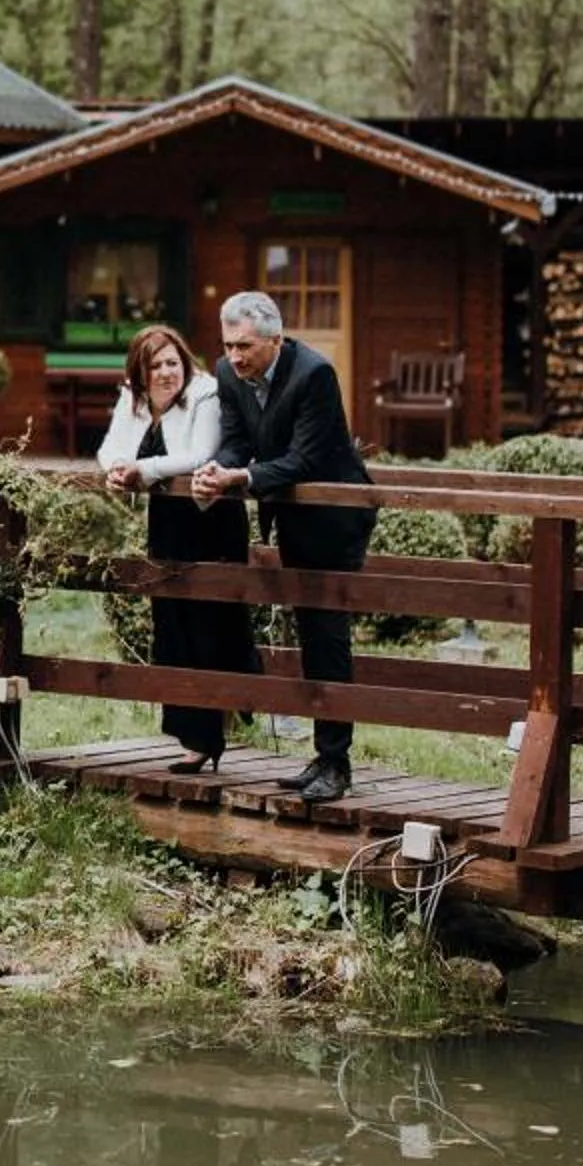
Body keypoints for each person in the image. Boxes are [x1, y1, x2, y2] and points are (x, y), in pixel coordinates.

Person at [193, 288, 374, 805]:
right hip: (290, 516)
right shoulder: (229, 376)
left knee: (327, 635)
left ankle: (336, 763)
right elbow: (235, 439)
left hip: (333, 520)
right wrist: (216, 467)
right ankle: (321, 756)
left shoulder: (314, 374)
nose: (234, 356)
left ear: (275, 339)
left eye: (245, 345)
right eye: (228, 345)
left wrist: (238, 477)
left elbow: (305, 461)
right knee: (309, 634)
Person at [99, 323, 256, 770]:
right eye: (156, 365)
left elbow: (201, 454)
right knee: (172, 626)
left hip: (211, 522)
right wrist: (115, 469)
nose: (167, 373)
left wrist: (139, 468)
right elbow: (110, 448)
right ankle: (193, 736)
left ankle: (217, 726)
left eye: (173, 362)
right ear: (140, 371)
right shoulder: (132, 399)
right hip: (167, 524)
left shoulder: (204, 393)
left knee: (211, 627)